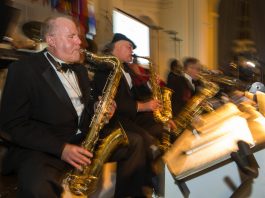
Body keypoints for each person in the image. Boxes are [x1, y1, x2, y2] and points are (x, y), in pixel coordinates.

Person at [0, 16, 144, 198]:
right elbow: (12, 124)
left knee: (136, 143)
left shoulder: (80, 70)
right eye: (72, 37)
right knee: (37, 185)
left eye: (78, 36)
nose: (79, 42)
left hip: (83, 139)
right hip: (45, 147)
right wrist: (61, 149)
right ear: (51, 40)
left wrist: (98, 108)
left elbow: (84, 107)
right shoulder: (23, 69)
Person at [92, 33, 168, 197]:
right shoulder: (105, 69)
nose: (132, 50)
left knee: (160, 126)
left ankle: (149, 177)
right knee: (143, 140)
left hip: (128, 116)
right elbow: (117, 103)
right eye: (129, 46)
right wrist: (144, 106)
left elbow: (136, 93)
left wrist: (149, 85)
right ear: (115, 48)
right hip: (114, 118)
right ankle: (134, 188)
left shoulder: (126, 68)